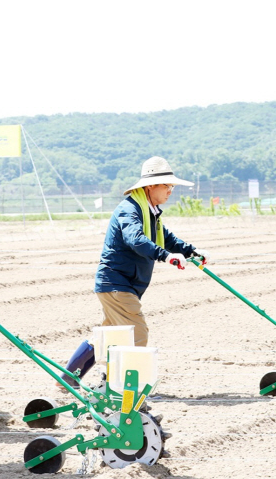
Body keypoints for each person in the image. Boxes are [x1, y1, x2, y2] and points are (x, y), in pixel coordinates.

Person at [59, 156, 211, 387]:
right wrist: (166, 256)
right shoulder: (129, 210)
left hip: (121, 284)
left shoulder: (150, 212)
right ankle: (123, 389)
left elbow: (167, 238)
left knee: (106, 336)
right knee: (136, 333)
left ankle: (68, 380)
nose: (171, 191)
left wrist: (191, 251)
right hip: (117, 284)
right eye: (167, 186)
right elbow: (135, 239)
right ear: (151, 186)